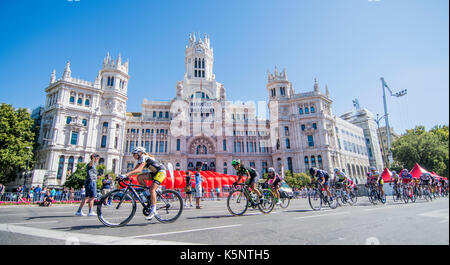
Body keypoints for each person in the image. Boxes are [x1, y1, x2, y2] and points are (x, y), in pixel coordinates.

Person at [121, 147, 167, 220]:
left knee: (152, 189)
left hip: (161, 172)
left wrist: (125, 175)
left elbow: (139, 170)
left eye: (134, 154)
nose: (133, 156)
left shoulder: (144, 157)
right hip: (155, 173)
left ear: (139, 153)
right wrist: (125, 176)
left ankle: (153, 211)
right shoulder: (140, 160)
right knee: (139, 177)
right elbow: (134, 170)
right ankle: (147, 193)